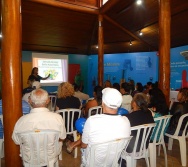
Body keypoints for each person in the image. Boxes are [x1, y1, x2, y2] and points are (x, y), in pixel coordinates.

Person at [81, 88, 131, 166]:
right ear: (119, 105)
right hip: (113, 162)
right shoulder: (126, 121)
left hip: (93, 163)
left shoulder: (92, 121)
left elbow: (84, 145)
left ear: (103, 103)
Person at [12, 88, 66, 152]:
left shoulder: (21, 121)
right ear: (48, 100)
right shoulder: (58, 118)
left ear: (30, 101)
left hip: (29, 160)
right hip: (51, 158)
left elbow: (16, 141)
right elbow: (62, 137)